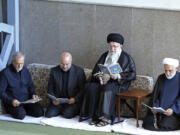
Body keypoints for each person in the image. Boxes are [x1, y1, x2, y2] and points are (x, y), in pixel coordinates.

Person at [80, 33, 136, 126]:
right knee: (91, 87)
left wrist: (118, 76)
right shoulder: (104, 55)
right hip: (102, 81)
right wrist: (99, 77)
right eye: (111, 46)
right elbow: (95, 70)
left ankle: (105, 118)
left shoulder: (126, 58)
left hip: (118, 83)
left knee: (107, 89)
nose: (112, 49)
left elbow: (133, 75)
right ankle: (94, 116)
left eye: (115, 46)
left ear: (120, 46)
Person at [0, 52, 44, 119]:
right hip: (13, 103)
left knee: (40, 112)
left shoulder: (25, 70)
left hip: (26, 101)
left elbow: (30, 86)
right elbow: (1, 92)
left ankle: (24, 110)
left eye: (22, 63)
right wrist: (11, 101)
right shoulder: (5, 73)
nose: (20, 66)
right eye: (18, 64)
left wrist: (33, 94)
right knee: (21, 115)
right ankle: (21, 111)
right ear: (13, 62)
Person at [143, 58, 180, 131]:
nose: (167, 73)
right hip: (159, 112)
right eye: (165, 70)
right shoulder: (161, 78)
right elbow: (156, 95)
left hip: (173, 112)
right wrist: (155, 107)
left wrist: (173, 109)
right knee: (147, 123)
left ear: (176, 68)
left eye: (170, 70)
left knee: (165, 125)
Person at [45, 52, 86, 118]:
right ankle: (61, 110)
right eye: (62, 64)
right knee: (48, 114)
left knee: (67, 114)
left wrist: (75, 99)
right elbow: (50, 88)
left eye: (67, 64)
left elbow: (83, 89)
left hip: (72, 102)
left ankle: (65, 111)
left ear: (71, 62)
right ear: (60, 62)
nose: (64, 66)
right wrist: (53, 99)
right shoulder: (54, 71)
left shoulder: (79, 71)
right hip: (58, 102)